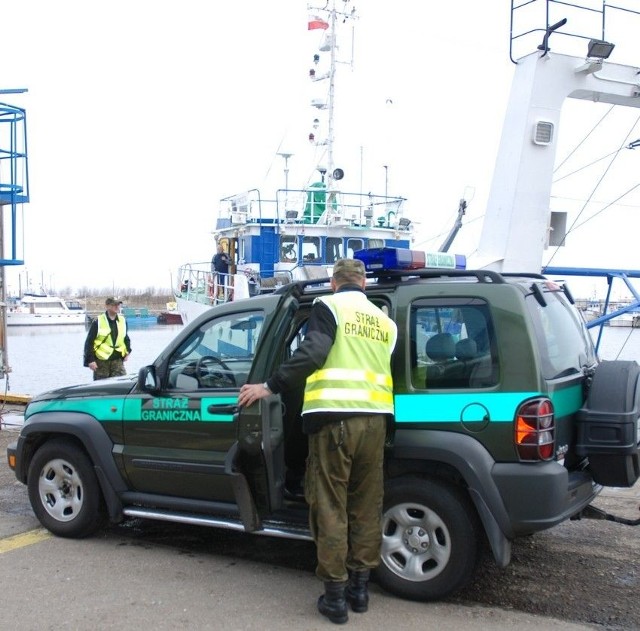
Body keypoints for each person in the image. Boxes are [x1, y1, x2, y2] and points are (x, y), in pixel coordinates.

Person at [238, 258, 397, 625]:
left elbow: (312, 354)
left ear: (334, 283)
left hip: (334, 422)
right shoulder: (385, 322)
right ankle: (360, 590)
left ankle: (335, 598)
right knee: (365, 504)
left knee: (330, 505)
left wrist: (269, 386)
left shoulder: (329, 307)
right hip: (375, 422)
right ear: (363, 282)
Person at [83, 297, 132, 380]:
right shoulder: (98, 321)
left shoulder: (123, 320)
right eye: (114, 304)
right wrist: (90, 360)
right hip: (101, 362)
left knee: (121, 386)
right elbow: (89, 342)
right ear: (107, 306)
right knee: (101, 389)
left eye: (118, 304)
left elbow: (126, 338)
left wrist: (127, 351)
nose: (117, 307)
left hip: (117, 361)